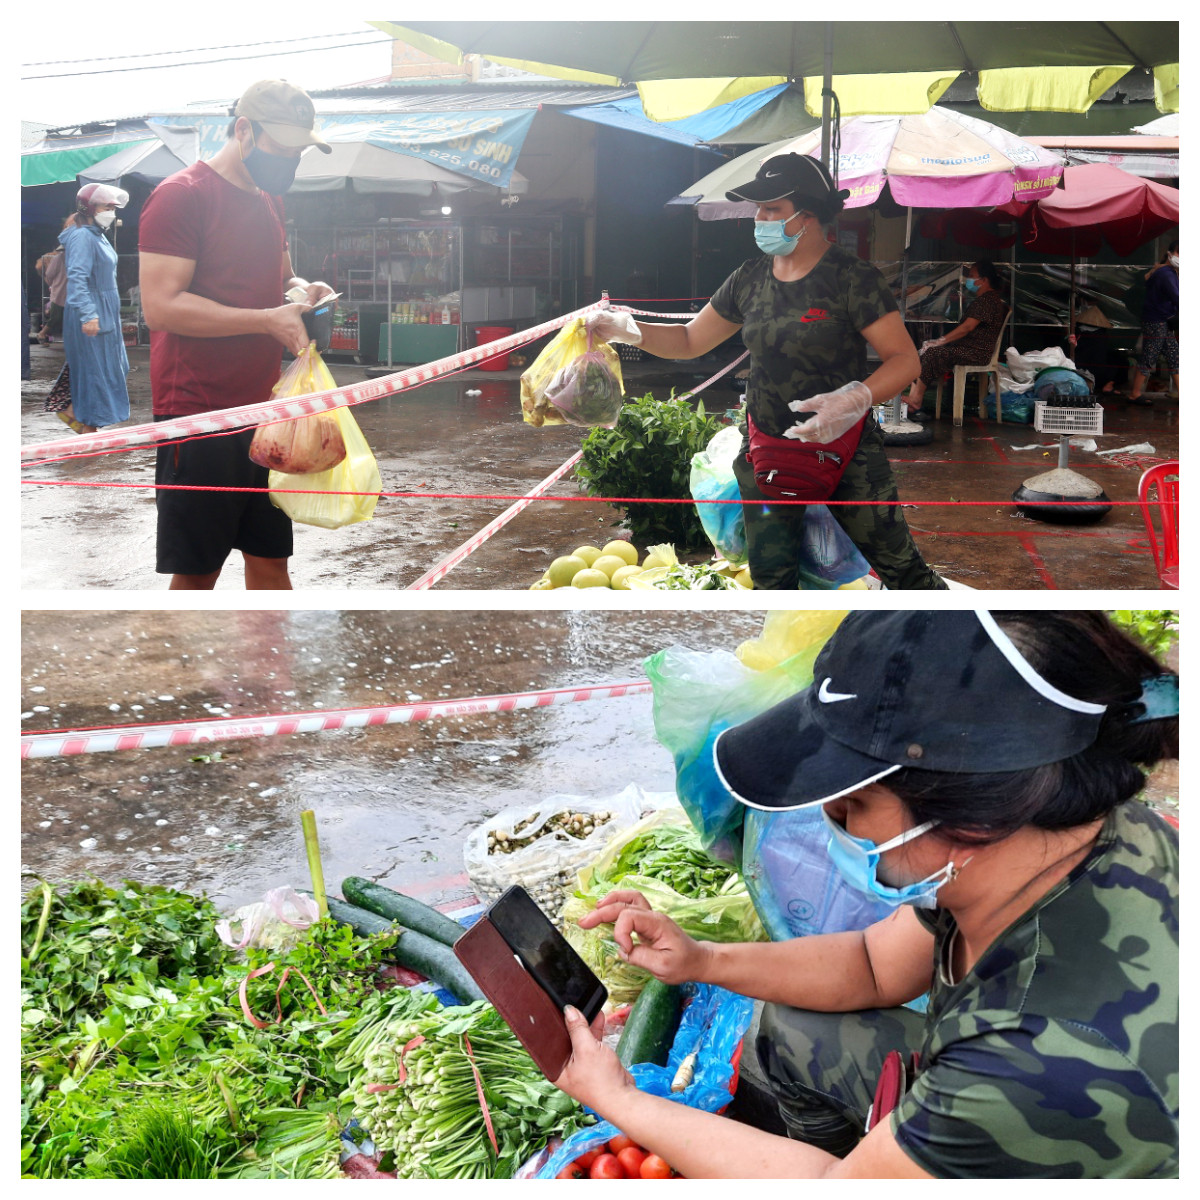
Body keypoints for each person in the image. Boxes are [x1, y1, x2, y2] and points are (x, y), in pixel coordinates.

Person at [553, 610, 1178, 1179]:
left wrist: (619, 1098)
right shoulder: (1053, 834)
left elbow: (833, 1187)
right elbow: (875, 966)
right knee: (788, 1026)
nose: (828, 821)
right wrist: (703, 961)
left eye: (851, 805)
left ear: (971, 820)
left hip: (1062, 1108)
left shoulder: (1035, 1056)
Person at [588, 153, 944, 591]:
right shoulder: (749, 278)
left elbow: (905, 361)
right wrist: (628, 330)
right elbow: (689, 340)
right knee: (773, 577)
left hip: (846, 450)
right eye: (758, 209)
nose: (759, 219)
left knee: (900, 567)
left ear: (808, 216)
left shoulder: (853, 279)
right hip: (768, 452)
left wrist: (853, 399)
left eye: (771, 210)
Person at [138, 79, 334, 591]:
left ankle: (272, 669)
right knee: (198, 570)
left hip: (267, 412)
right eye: (283, 148)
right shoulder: (182, 196)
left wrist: (302, 289)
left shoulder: (270, 200)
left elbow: (280, 276)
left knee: (270, 560)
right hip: (200, 414)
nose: (290, 160)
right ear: (243, 130)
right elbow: (161, 307)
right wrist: (266, 319)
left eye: (298, 151)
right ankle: (177, 670)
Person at [57, 185, 131, 434]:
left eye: (113, 208)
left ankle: (72, 410)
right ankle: (87, 428)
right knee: (94, 373)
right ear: (88, 207)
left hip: (106, 311)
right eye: (107, 207)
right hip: (90, 312)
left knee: (115, 368)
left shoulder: (96, 233)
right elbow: (77, 277)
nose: (111, 212)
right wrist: (89, 314)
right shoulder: (81, 236)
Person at [903, 260, 1009, 422]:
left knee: (933, 352)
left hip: (976, 353)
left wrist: (940, 341)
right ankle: (913, 400)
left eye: (972, 276)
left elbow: (967, 328)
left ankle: (915, 402)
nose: (968, 280)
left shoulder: (987, 301)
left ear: (984, 280)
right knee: (926, 352)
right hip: (969, 350)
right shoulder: (987, 300)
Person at [1126, 240, 1178, 407]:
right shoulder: (1166, 274)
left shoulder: (1164, 271)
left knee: (1174, 356)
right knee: (1150, 356)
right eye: (1179, 252)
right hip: (1157, 321)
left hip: (1162, 320)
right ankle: (1134, 394)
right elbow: (1177, 297)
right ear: (1170, 253)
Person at [35, 223, 71, 343]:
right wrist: (53, 285)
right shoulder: (58, 259)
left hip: (69, 293)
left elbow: (49, 276)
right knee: (55, 318)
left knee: (66, 318)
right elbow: (49, 275)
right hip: (59, 293)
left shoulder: (73, 258)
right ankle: (42, 334)